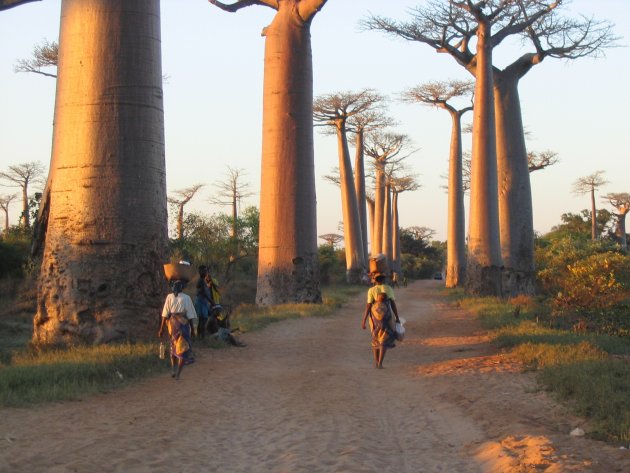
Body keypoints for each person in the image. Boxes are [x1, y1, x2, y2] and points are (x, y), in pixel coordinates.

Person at [158, 280, 197, 380]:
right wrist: (192, 329)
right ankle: (178, 373)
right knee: (184, 348)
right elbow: (190, 316)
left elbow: (165, 314)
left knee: (173, 346)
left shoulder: (169, 297)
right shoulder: (186, 298)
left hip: (172, 325)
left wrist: (161, 328)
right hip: (183, 325)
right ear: (182, 288)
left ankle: (173, 369)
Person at [361, 273, 401, 369]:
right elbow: (392, 303)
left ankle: (376, 362)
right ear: (384, 280)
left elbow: (368, 305)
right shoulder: (388, 288)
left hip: (374, 317)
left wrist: (364, 320)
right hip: (387, 316)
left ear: (374, 280)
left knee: (375, 339)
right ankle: (380, 363)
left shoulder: (371, 290)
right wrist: (397, 317)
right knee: (384, 339)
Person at [195, 265, 214, 339]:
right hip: (201, 302)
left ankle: (200, 336)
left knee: (202, 320)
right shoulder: (201, 281)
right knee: (203, 319)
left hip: (203, 302)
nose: (206, 272)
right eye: (204, 271)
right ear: (200, 272)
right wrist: (211, 301)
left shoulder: (202, 281)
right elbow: (204, 293)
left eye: (206, 271)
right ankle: (202, 337)